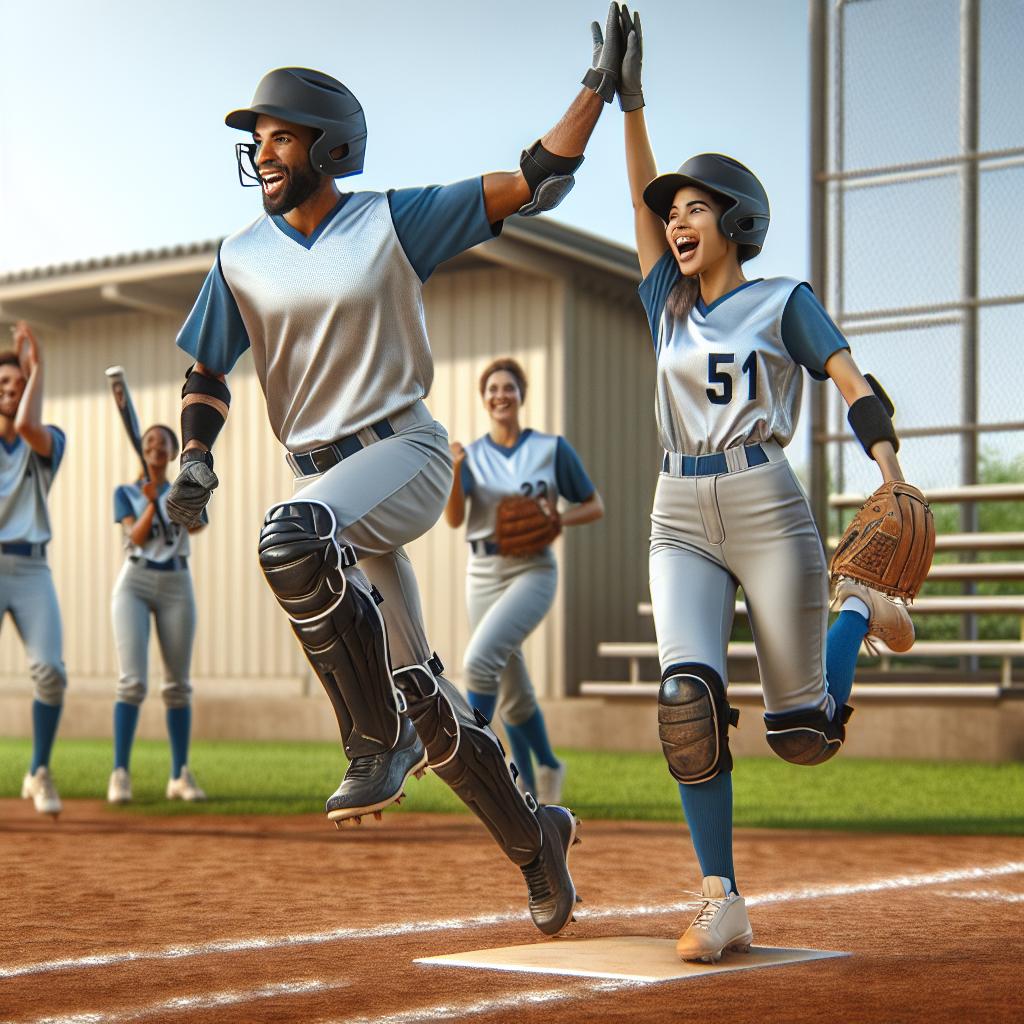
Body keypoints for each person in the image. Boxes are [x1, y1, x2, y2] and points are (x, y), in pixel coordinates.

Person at [165, 6, 625, 936]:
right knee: (422, 687)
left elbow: (532, 180)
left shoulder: (390, 221)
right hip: (331, 488)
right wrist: (194, 458)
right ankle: (538, 843)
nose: (262, 154)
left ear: (329, 148)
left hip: (402, 455)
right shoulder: (240, 258)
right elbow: (207, 371)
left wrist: (595, 90)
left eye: (280, 137)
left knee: (289, 535)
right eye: (256, 140)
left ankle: (367, 742)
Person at [616, 6, 915, 961]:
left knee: (803, 734)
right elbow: (636, 207)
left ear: (735, 220)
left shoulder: (783, 299)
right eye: (672, 212)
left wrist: (891, 469)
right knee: (686, 705)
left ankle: (857, 609)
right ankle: (721, 898)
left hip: (766, 506)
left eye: (694, 207)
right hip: (677, 513)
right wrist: (631, 102)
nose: (675, 221)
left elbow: (848, 376)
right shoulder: (665, 306)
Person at [445, 358, 603, 805]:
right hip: (483, 572)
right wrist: (455, 471)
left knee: (478, 663)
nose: (500, 394)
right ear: (484, 399)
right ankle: (540, 776)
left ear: (520, 395)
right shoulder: (471, 455)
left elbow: (594, 504)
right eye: (492, 388)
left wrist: (560, 518)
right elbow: (455, 519)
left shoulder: (551, 449)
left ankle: (476, 768)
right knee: (513, 691)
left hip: (533, 570)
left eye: (508, 387)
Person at [108, 424, 206, 805]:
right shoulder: (126, 492)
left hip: (177, 582)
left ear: (172, 451)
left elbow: (193, 526)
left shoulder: (184, 488)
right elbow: (135, 537)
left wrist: (171, 498)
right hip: (135, 580)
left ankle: (180, 774)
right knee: (132, 683)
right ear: (143, 449)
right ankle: (120, 773)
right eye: (150, 442)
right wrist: (150, 502)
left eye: (164, 443)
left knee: (177, 685)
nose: (156, 447)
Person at [0, 322, 68, 818]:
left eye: (18, 384)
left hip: (30, 568)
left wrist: (37, 367)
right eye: (3, 384)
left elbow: (26, 427)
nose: (10, 390)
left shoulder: (48, 439)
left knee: (50, 672)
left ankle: (38, 771)